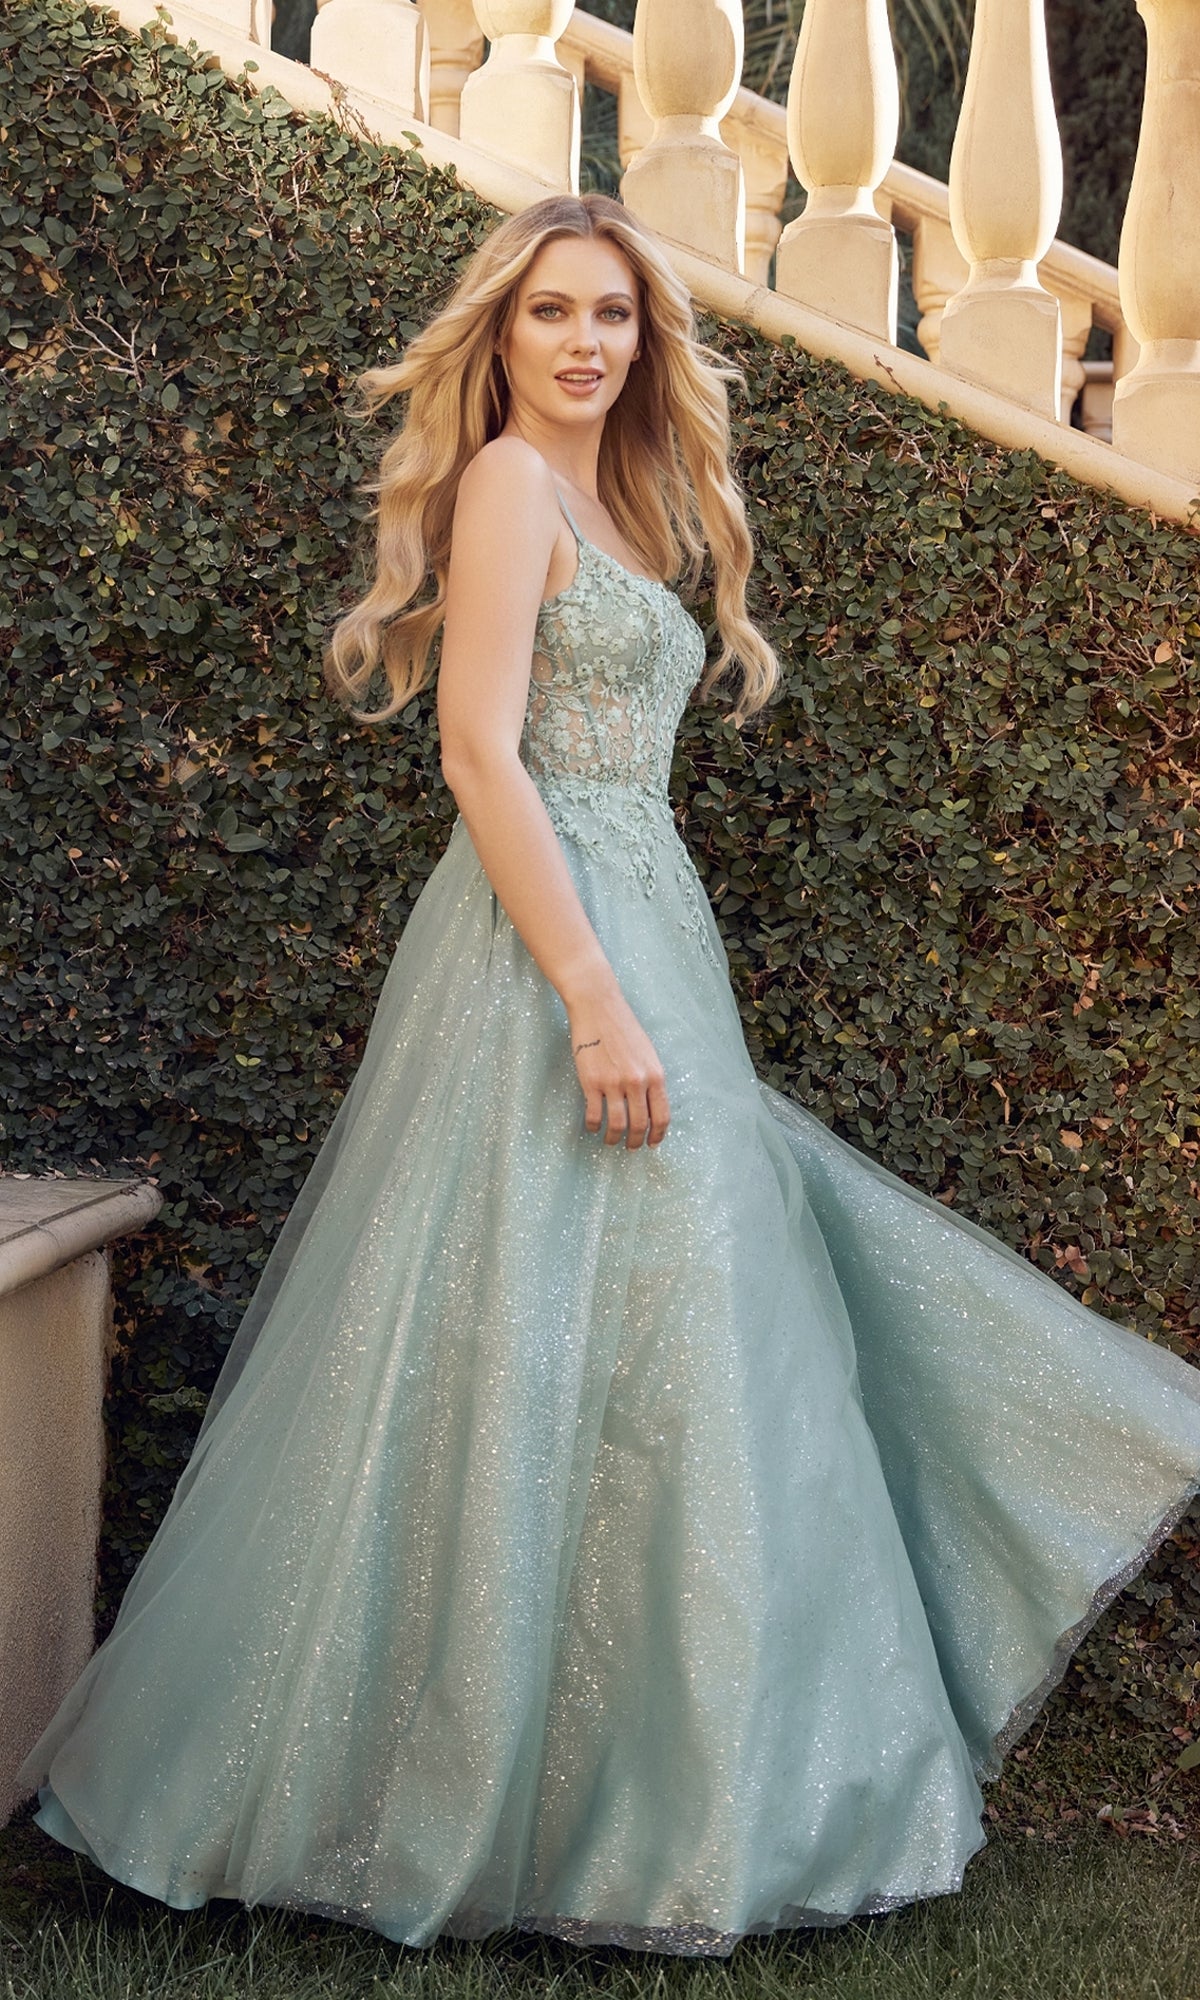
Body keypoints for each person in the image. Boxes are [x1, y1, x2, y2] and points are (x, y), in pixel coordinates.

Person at [18, 193, 1200, 1957]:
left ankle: (668, 1802)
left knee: (677, 1337)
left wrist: (633, 976)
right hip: (554, 943)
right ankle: (466, 1798)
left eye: (616, 317)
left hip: (646, 927)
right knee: (524, 1332)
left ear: (648, 343)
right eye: (553, 312)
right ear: (500, 336)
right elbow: (480, 752)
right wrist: (586, 993)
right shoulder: (505, 486)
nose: (585, 342)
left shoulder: (626, 503)